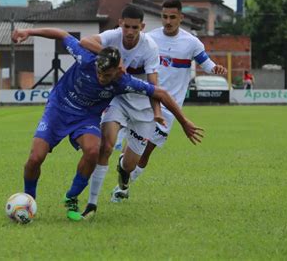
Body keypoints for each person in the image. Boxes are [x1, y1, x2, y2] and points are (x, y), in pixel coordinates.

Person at [11, 27, 204, 221]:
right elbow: (62, 34)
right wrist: (28, 31)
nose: (102, 78)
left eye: (107, 75)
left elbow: (160, 93)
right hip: (58, 110)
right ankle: (29, 200)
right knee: (36, 157)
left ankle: (71, 197)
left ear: (117, 72)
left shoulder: (123, 82)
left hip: (86, 117)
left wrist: (183, 121)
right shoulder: (84, 58)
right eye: (100, 73)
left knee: (94, 151)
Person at [82, 0, 227, 217]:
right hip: (137, 97)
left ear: (181, 17)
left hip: (167, 108)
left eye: (172, 17)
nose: (168, 21)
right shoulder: (150, 39)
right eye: (164, 17)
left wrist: (216, 69)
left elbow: (206, 63)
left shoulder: (192, 43)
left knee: (142, 154)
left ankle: (125, 178)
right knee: (108, 144)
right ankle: (96, 198)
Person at [79, 4, 166, 216]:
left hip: (143, 109)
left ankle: (123, 170)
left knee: (129, 164)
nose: (129, 32)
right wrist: (111, 56)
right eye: (126, 26)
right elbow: (84, 41)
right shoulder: (112, 36)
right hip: (117, 100)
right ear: (120, 24)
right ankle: (92, 204)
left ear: (142, 27)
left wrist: (157, 112)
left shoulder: (150, 47)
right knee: (106, 146)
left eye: (135, 28)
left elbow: (154, 85)